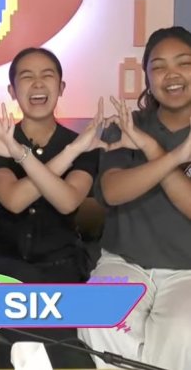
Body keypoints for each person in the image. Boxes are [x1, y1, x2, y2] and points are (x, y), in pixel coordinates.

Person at [0, 47, 104, 368]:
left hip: (59, 271)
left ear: (61, 87)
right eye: (27, 77)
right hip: (0, 271)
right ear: (12, 91)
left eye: (47, 76)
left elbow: (67, 201)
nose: (37, 84)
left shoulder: (86, 145)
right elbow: (14, 199)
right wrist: (67, 154)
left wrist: (25, 154)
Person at [78, 26, 191, 370]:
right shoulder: (127, 125)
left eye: (184, 63)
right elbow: (113, 191)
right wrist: (173, 156)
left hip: (187, 272)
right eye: (159, 67)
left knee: (184, 332)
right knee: (98, 313)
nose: (172, 75)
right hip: (124, 263)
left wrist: (150, 151)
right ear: (147, 78)